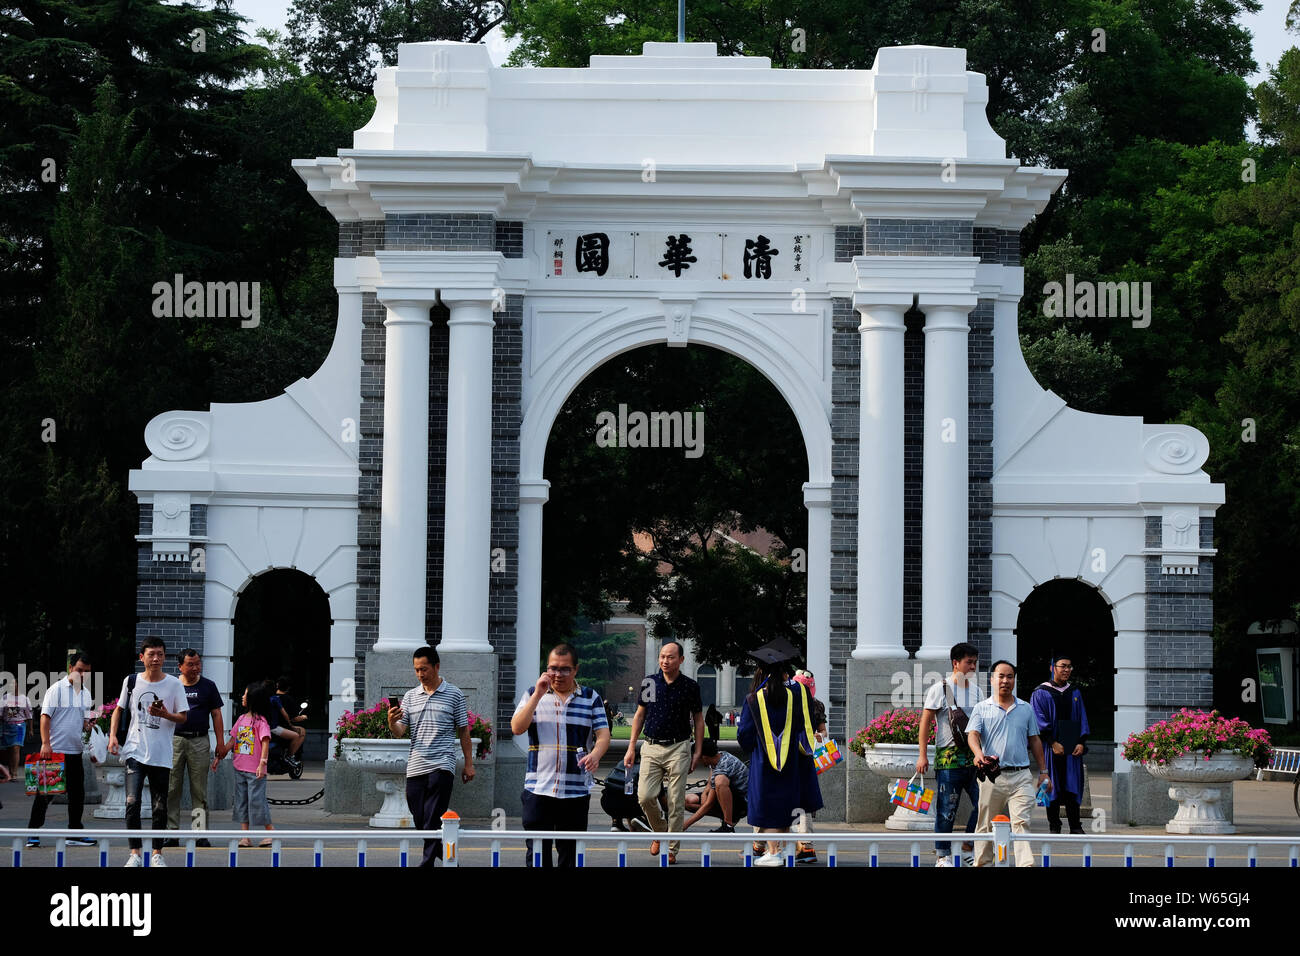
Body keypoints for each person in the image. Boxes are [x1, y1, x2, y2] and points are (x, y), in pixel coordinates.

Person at [510, 642, 610, 867]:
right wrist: (537, 694)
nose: (558, 674)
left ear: (576, 669)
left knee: (570, 854)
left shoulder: (590, 697)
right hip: (538, 788)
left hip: (575, 790)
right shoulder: (532, 694)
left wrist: (595, 754)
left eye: (565, 669)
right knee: (537, 854)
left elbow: (603, 735)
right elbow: (517, 727)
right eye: (553, 668)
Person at [387, 646, 474, 867]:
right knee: (419, 817)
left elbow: (463, 730)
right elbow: (400, 732)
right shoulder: (410, 696)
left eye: (424, 669)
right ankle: (443, 856)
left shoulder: (454, 694)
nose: (420, 674)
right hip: (416, 764)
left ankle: (426, 863)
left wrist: (469, 764)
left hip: (442, 763)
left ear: (436, 666)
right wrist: (391, 722)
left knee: (433, 815)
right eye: (416, 670)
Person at [738, 647, 822, 867]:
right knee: (785, 803)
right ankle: (784, 850)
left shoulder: (754, 699)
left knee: (767, 804)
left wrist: (755, 747)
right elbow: (805, 725)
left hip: (763, 761)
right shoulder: (795, 695)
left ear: (762, 672)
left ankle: (773, 852)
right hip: (791, 759)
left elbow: (744, 734)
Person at [109, 637, 189, 867]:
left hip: (161, 753)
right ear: (141, 657)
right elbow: (118, 710)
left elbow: (183, 716)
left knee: (159, 804)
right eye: (151, 654)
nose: (156, 658)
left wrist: (165, 715)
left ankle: (156, 853)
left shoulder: (174, 685)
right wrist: (113, 736)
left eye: (160, 654)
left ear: (165, 657)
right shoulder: (131, 681)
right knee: (132, 802)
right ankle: (134, 853)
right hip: (135, 750)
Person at [622, 640, 704, 864]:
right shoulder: (650, 682)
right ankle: (660, 832)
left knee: (676, 802)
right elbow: (639, 715)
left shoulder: (690, 686)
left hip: (679, 747)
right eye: (662, 657)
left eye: (670, 657)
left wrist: (697, 750)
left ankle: (672, 849)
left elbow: (698, 719)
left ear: (681, 660)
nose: (665, 661)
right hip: (651, 746)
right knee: (645, 796)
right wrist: (631, 746)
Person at [966, 660, 1051, 868]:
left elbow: (1035, 740)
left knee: (1021, 821)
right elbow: (973, 735)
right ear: (992, 679)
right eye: (1001, 676)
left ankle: (1025, 864)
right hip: (992, 776)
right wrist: (978, 754)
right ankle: (983, 863)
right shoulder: (981, 708)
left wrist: (1043, 771)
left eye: (1010, 676)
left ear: (1014, 680)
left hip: (1021, 775)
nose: (1005, 680)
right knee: (985, 823)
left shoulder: (1026, 708)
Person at [917, 642, 984, 867]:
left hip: (974, 760)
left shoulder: (977, 691)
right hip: (948, 761)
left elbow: (982, 724)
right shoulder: (940, 689)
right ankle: (942, 854)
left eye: (975, 662)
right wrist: (923, 755)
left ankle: (968, 845)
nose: (973, 666)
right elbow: (925, 723)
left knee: (984, 804)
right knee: (947, 810)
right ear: (956, 663)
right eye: (969, 662)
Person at [26, 651, 97, 848]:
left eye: (87, 672)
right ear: (70, 668)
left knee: (77, 795)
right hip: (55, 751)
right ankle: (32, 832)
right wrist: (45, 743)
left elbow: (83, 724)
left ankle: (74, 833)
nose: (82, 675)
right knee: (45, 794)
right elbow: (45, 717)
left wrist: (90, 725)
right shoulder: (56, 689)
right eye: (79, 670)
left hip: (75, 751)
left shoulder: (86, 693)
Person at [164, 649, 224, 847]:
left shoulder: (208, 686)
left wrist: (220, 743)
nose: (195, 668)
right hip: (175, 740)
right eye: (190, 664)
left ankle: (200, 833)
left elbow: (216, 714)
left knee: (199, 790)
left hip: (200, 741)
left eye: (198, 663)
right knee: (172, 788)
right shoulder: (171, 685)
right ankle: (171, 832)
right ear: (180, 666)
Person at [1031, 654, 1090, 835]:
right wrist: (1052, 742)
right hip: (1050, 748)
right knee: (1051, 786)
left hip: (1072, 748)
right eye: (1063, 666)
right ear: (1052, 668)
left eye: (1069, 667)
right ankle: (1054, 825)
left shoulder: (1074, 692)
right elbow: (1036, 720)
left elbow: (1082, 718)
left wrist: (1081, 742)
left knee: (1073, 785)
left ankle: (1075, 825)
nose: (1066, 670)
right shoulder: (1040, 692)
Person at [212, 680, 274, 847]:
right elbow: (233, 740)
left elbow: (265, 742)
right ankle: (245, 836)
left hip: (255, 770)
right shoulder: (240, 719)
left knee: (257, 801)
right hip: (239, 767)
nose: (242, 697)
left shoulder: (261, 722)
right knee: (241, 802)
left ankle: (270, 832)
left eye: (245, 694)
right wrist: (220, 755)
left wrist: (262, 763)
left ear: (253, 698)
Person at [789, 668, 827, 865]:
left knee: (785, 798)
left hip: (789, 756)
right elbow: (824, 732)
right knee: (803, 801)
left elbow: (822, 731)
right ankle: (805, 845)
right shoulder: (816, 704)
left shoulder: (788, 701)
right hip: (806, 757)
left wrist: (813, 735)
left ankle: (763, 845)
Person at [683, 738, 748, 832]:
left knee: (720, 781)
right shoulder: (718, 756)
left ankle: (728, 824)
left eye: (697, 758)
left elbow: (709, 803)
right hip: (729, 797)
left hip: (742, 803)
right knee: (688, 801)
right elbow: (710, 783)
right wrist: (705, 793)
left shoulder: (722, 769)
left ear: (704, 757)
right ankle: (728, 815)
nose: (696, 761)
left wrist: (685, 825)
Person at [268, 679, 305, 767]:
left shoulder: (268, 698)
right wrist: (302, 718)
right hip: (276, 727)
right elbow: (288, 716)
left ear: (277, 685)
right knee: (300, 733)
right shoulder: (282, 699)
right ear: (288, 688)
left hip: (265, 727)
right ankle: (289, 756)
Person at [1, 688, 32, 782]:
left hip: (19, 726)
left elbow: (29, 715)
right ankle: (10, 772)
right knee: (9, 749)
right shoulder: (5, 698)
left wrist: (30, 729)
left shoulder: (24, 699)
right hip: (7, 726)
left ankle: (14, 774)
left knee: (16, 748)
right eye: (10, 684)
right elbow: (1, 713)